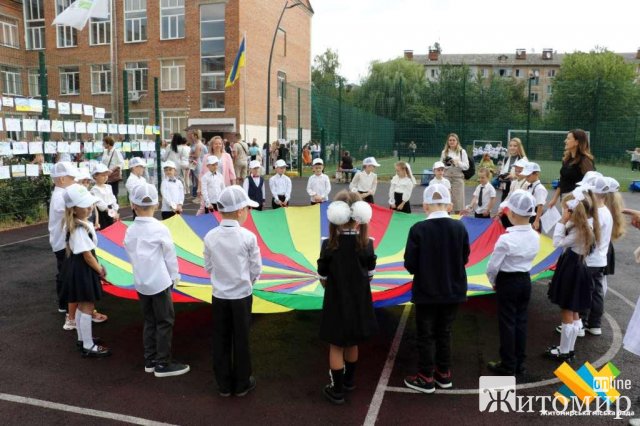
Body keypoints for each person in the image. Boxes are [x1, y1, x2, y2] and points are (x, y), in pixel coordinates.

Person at [403, 184, 470, 393]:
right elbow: (465, 257)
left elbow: (410, 264)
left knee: (426, 334)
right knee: (445, 332)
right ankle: (444, 373)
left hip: (427, 291)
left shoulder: (418, 230)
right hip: (453, 289)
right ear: (449, 205)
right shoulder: (459, 227)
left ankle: (426, 376)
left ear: (425, 206)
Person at [123, 183, 190, 377]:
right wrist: (175, 276)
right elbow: (170, 256)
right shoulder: (160, 228)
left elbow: (129, 252)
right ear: (157, 204)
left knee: (149, 320)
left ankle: (150, 359)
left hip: (141, 282)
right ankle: (163, 363)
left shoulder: (130, 230)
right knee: (165, 320)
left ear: (133, 205)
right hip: (159, 282)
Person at [317, 191, 377, 404]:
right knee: (352, 342)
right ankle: (349, 381)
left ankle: (337, 389)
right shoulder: (367, 244)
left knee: (336, 345)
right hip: (358, 303)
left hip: (335, 302)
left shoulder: (329, 245)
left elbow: (323, 278)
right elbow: (369, 275)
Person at [203, 186, 262, 397]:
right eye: (247, 208)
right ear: (239, 211)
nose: (248, 212)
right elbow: (256, 268)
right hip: (242, 296)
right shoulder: (248, 237)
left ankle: (223, 384)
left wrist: (221, 278)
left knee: (220, 338)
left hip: (219, 296)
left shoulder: (210, 236)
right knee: (242, 338)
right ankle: (242, 382)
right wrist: (247, 281)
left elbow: (208, 265)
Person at [485, 190, 540, 376]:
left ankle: (508, 363)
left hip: (508, 281)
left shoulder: (506, 239)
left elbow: (492, 267)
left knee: (507, 323)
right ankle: (520, 362)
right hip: (525, 279)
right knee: (521, 321)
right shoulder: (535, 236)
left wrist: (493, 282)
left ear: (512, 213)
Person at [546, 186, 600, 360]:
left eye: (565, 208)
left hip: (572, 269)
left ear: (572, 211)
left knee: (567, 310)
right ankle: (568, 349)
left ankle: (564, 351)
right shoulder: (585, 225)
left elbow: (557, 242)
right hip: (578, 267)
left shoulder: (579, 230)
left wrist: (562, 221)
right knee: (574, 311)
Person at [59, 184, 111, 357]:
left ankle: (83, 339)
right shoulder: (79, 228)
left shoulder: (79, 224)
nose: (90, 208)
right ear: (73, 209)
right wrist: (100, 270)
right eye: (85, 205)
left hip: (78, 268)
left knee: (83, 306)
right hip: (83, 269)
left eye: (90, 204)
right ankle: (88, 345)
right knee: (87, 305)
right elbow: (87, 255)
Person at [579, 175, 614, 337]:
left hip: (589, 260)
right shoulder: (606, 211)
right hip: (600, 260)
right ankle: (595, 324)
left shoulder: (595, 215)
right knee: (597, 292)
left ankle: (580, 323)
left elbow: (586, 237)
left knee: (584, 291)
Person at [49, 162, 80, 322]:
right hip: (62, 243)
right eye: (72, 178)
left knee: (63, 272)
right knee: (66, 274)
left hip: (60, 241)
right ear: (62, 179)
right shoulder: (61, 196)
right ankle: (68, 308)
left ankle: (64, 305)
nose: (74, 181)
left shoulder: (60, 194)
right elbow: (70, 216)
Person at [548, 129, 595, 210]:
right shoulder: (567, 160)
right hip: (565, 200)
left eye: (568, 138)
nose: (565, 141)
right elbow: (562, 180)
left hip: (577, 203)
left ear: (577, 142)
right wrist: (554, 199)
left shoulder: (585, 161)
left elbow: (589, 184)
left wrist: (577, 201)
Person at [440, 133, 470, 213]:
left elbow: (466, 166)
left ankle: (457, 222)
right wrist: (447, 164)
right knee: (446, 201)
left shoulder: (462, 152)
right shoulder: (444, 152)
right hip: (446, 177)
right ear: (448, 141)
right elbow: (441, 165)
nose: (452, 142)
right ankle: (446, 221)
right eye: (450, 140)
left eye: (453, 140)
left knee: (458, 203)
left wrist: (457, 162)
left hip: (458, 178)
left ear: (457, 141)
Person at [519, 162, 548, 231]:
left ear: (536, 174)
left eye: (528, 176)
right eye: (525, 176)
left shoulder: (539, 188)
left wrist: (537, 221)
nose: (526, 178)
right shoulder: (530, 185)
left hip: (534, 217)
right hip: (528, 215)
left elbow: (540, 205)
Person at [91, 163, 119, 230]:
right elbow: (100, 204)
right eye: (103, 175)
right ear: (95, 176)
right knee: (105, 229)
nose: (105, 177)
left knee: (114, 229)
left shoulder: (108, 187)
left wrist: (115, 210)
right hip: (103, 213)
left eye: (106, 175)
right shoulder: (94, 189)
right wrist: (112, 213)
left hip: (111, 210)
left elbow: (113, 199)